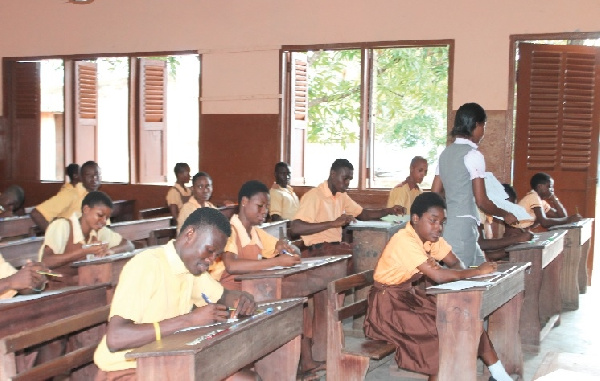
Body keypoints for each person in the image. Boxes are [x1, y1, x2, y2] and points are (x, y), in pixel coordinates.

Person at [94, 207, 258, 381]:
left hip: (168, 363)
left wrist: (242, 298)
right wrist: (189, 320)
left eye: (216, 255)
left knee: (246, 379)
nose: (211, 261)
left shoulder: (192, 269)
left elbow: (223, 296)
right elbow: (116, 338)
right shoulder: (146, 266)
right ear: (190, 234)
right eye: (209, 251)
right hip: (129, 370)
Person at [364, 192, 514, 381]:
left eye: (442, 222)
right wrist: (476, 272)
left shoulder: (429, 239)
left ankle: (499, 375)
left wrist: (456, 273)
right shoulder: (404, 240)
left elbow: (455, 263)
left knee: (465, 319)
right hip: (388, 308)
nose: (438, 228)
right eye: (433, 221)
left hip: (408, 299)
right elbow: (439, 275)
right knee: (439, 338)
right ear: (415, 219)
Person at [431, 103, 518, 267]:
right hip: (463, 228)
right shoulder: (473, 155)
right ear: (476, 125)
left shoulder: (445, 154)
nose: (483, 132)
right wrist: (504, 214)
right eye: (483, 126)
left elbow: (434, 194)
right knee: (459, 281)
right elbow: (482, 201)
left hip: (448, 226)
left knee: (482, 271)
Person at [291, 159, 405, 257]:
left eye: (350, 179)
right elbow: (296, 227)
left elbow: (363, 214)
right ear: (333, 174)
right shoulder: (314, 196)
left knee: (370, 251)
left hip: (334, 247)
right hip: (318, 250)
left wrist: (389, 211)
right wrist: (333, 223)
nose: (347, 183)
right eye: (345, 178)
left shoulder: (341, 195)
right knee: (363, 256)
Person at [213, 180, 300, 289]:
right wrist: (277, 261)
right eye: (260, 206)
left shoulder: (256, 233)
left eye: (267, 207)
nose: (265, 211)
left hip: (248, 291)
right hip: (224, 294)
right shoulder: (229, 231)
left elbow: (296, 250)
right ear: (244, 201)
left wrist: (286, 246)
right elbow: (231, 265)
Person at [39, 191, 134, 287]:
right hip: (57, 289)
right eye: (100, 215)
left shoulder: (99, 231)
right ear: (86, 209)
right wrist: (83, 251)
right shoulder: (62, 226)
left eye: (107, 218)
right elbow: (46, 261)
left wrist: (111, 251)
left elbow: (128, 245)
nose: (104, 221)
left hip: (83, 285)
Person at [30, 161, 102, 231]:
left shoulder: (97, 197)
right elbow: (36, 214)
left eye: (97, 175)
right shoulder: (71, 194)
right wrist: (56, 237)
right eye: (88, 175)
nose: (94, 179)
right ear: (81, 177)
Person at [517, 172, 582, 229]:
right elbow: (544, 222)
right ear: (540, 187)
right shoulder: (533, 197)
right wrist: (569, 219)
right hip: (515, 233)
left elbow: (561, 217)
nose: (552, 190)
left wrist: (554, 198)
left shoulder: (541, 202)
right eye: (549, 186)